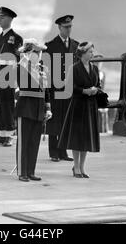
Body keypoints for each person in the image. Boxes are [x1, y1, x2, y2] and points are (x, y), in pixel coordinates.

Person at [58, 42, 101, 178]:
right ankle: (76, 166)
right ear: (82, 53)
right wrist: (84, 91)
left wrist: (95, 90)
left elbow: (98, 84)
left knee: (86, 138)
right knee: (77, 138)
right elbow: (70, 87)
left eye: (92, 52)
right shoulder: (74, 68)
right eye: (90, 52)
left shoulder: (94, 68)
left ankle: (82, 167)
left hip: (90, 106)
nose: (92, 54)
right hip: (78, 105)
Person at [16, 39, 52, 182]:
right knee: (23, 142)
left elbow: (46, 91)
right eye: (36, 51)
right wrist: (39, 77)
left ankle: (31, 171)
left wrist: (48, 108)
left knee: (34, 142)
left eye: (40, 52)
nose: (39, 54)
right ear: (29, 52)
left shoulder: (40, 69)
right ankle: (22, 172)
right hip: (26, 107)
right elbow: (25, 85)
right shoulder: (21, 67)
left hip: (38, 108)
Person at [0, 7, 23, 147]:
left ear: (9, 19)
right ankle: (2, 134)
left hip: (8, 76)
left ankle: (9, 135)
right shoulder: (0, 36)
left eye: (2, 18)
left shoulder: (16, 38)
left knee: (8, 105)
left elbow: (18, 59)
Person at [44, 15, 78, 162]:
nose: (68, 29)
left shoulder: (76, 46)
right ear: (59, 28)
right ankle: (53, 152)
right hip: (55, 89)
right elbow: (45, 69)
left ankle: (63, 151)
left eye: (70, 26)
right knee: (54, 120)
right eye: (66, 27)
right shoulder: (50, 46)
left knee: (66, 120)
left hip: (68, 90)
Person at [93, 53, 109, 133]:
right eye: (97, 62)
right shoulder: (91, 72)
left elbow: (103, 87)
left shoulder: (103, 74)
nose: (99, 64)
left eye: (100, 62)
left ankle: (103, 130)